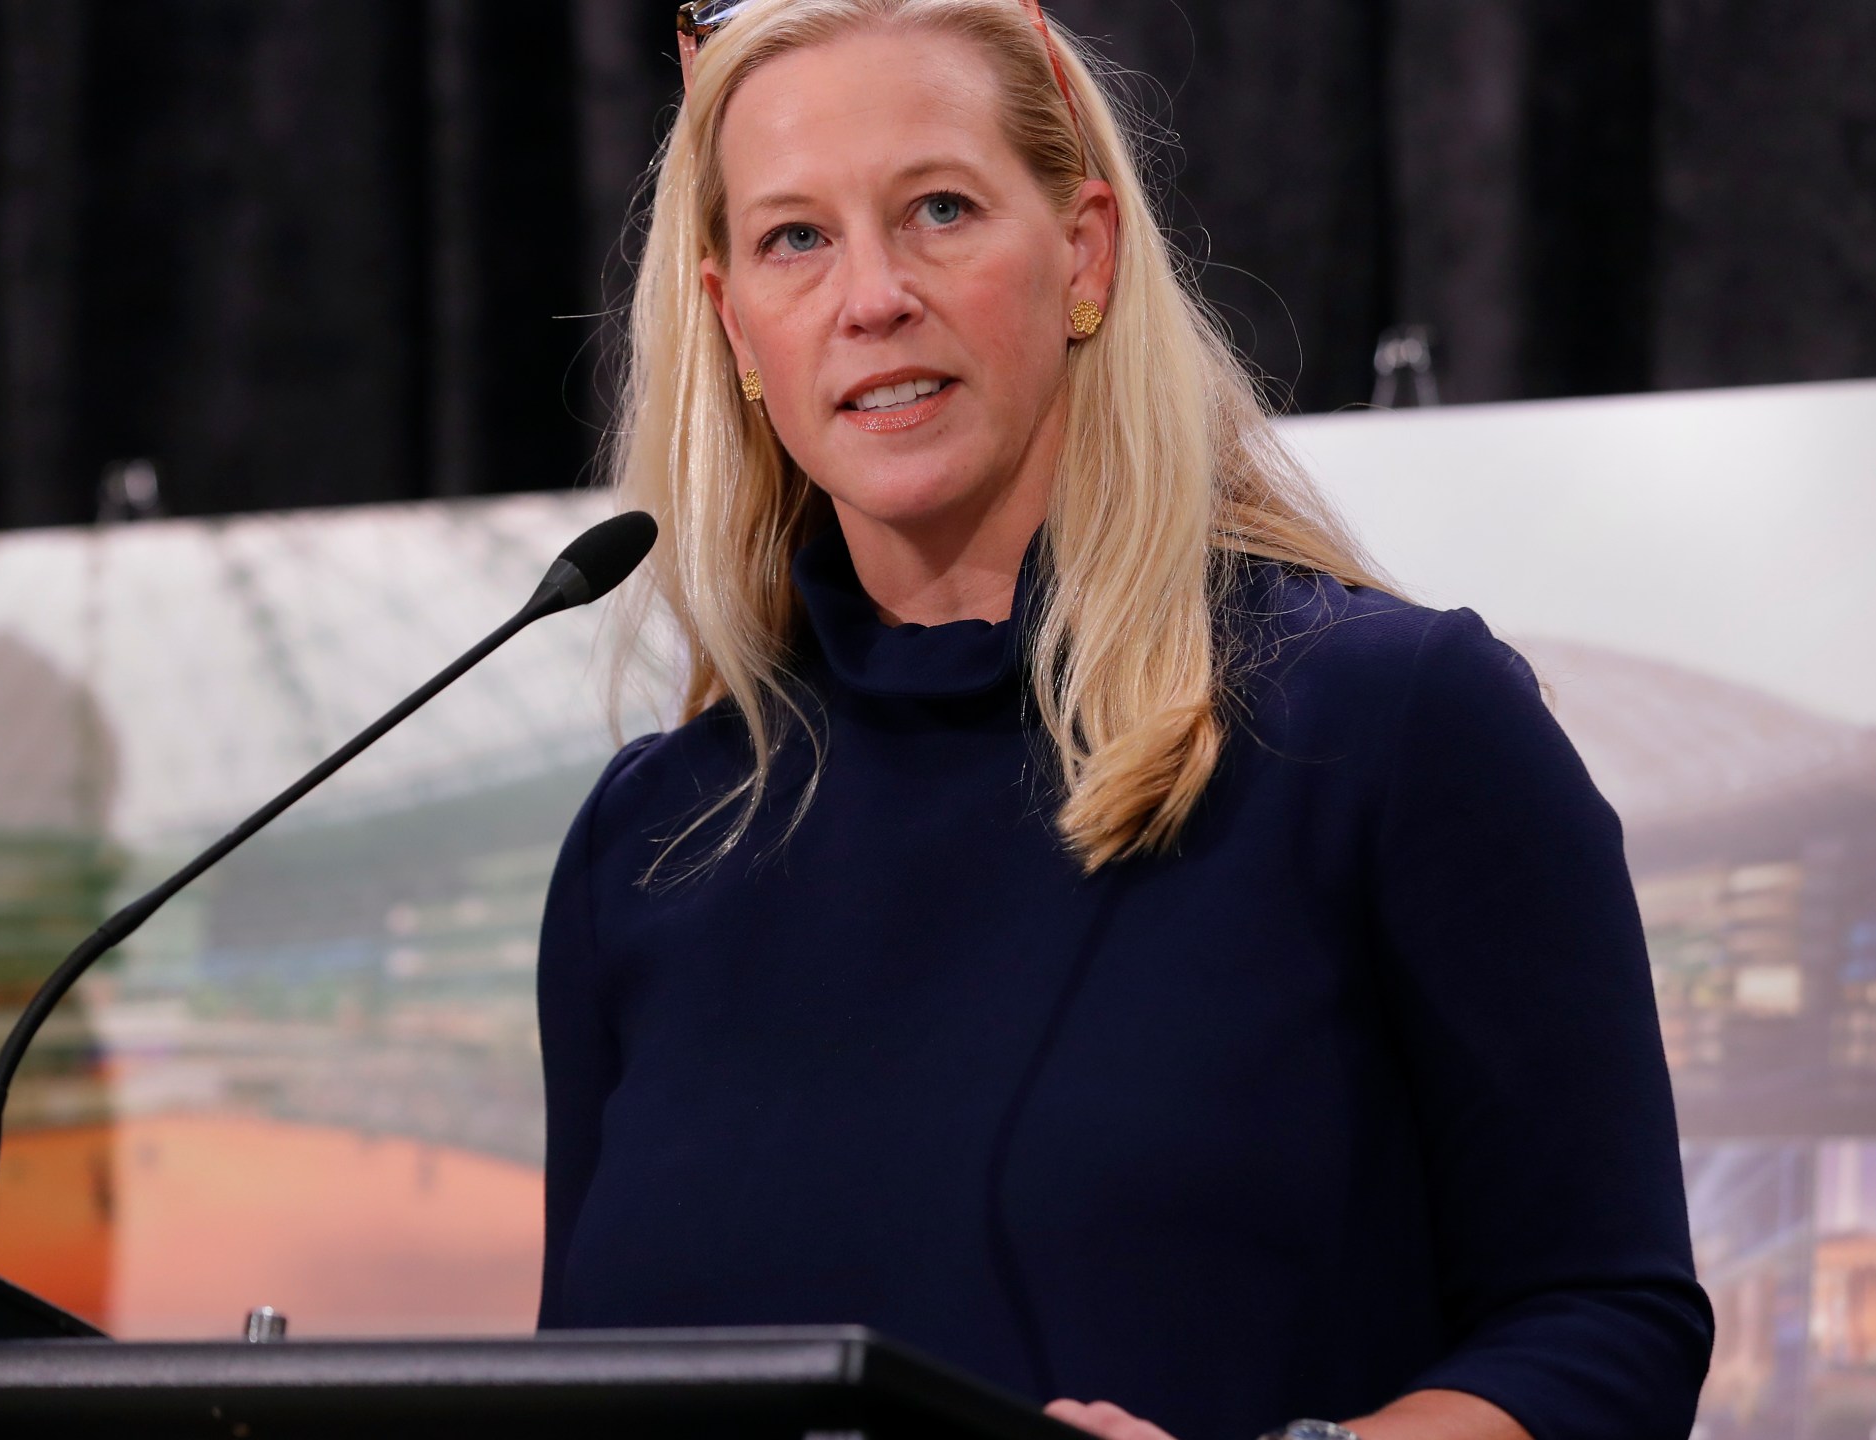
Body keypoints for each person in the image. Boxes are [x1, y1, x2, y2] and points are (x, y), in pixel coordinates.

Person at [534, 3, 1714, 1438]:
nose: (872, 296)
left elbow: (1606, 1325)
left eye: (941, 210)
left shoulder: (1389, 726)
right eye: (796, 239)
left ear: (1084, 251)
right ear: (733, 325)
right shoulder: (648, 844)